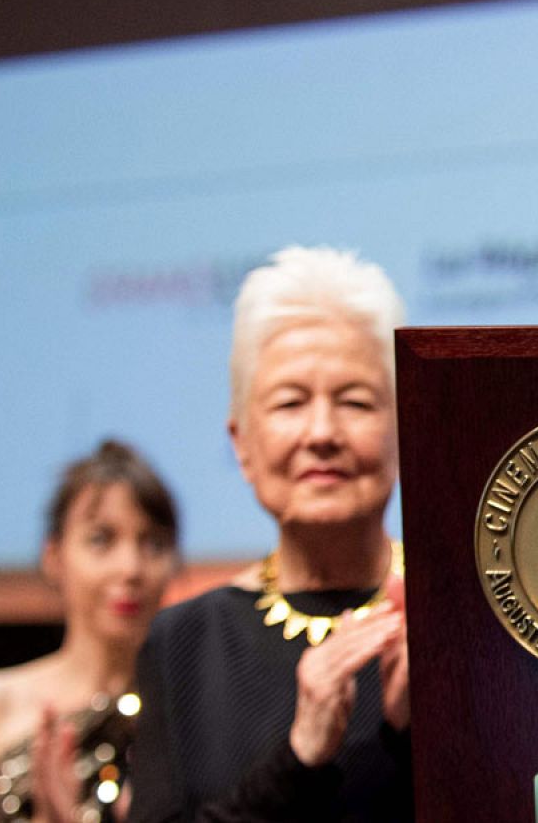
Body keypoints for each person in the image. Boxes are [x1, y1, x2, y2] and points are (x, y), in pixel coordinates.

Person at [127, 246, 412, 821]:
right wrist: (299, 758)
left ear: (405, 425)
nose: (322, 432)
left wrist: (424, 738)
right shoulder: (184, 640)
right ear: (242, 444)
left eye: (355, 401)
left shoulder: (459, 618)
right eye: (290, 402)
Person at [0, 439, 181, 823]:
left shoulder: (190, 716)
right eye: (101, 539)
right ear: (54, 556)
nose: (131, 567)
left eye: (154, 543)